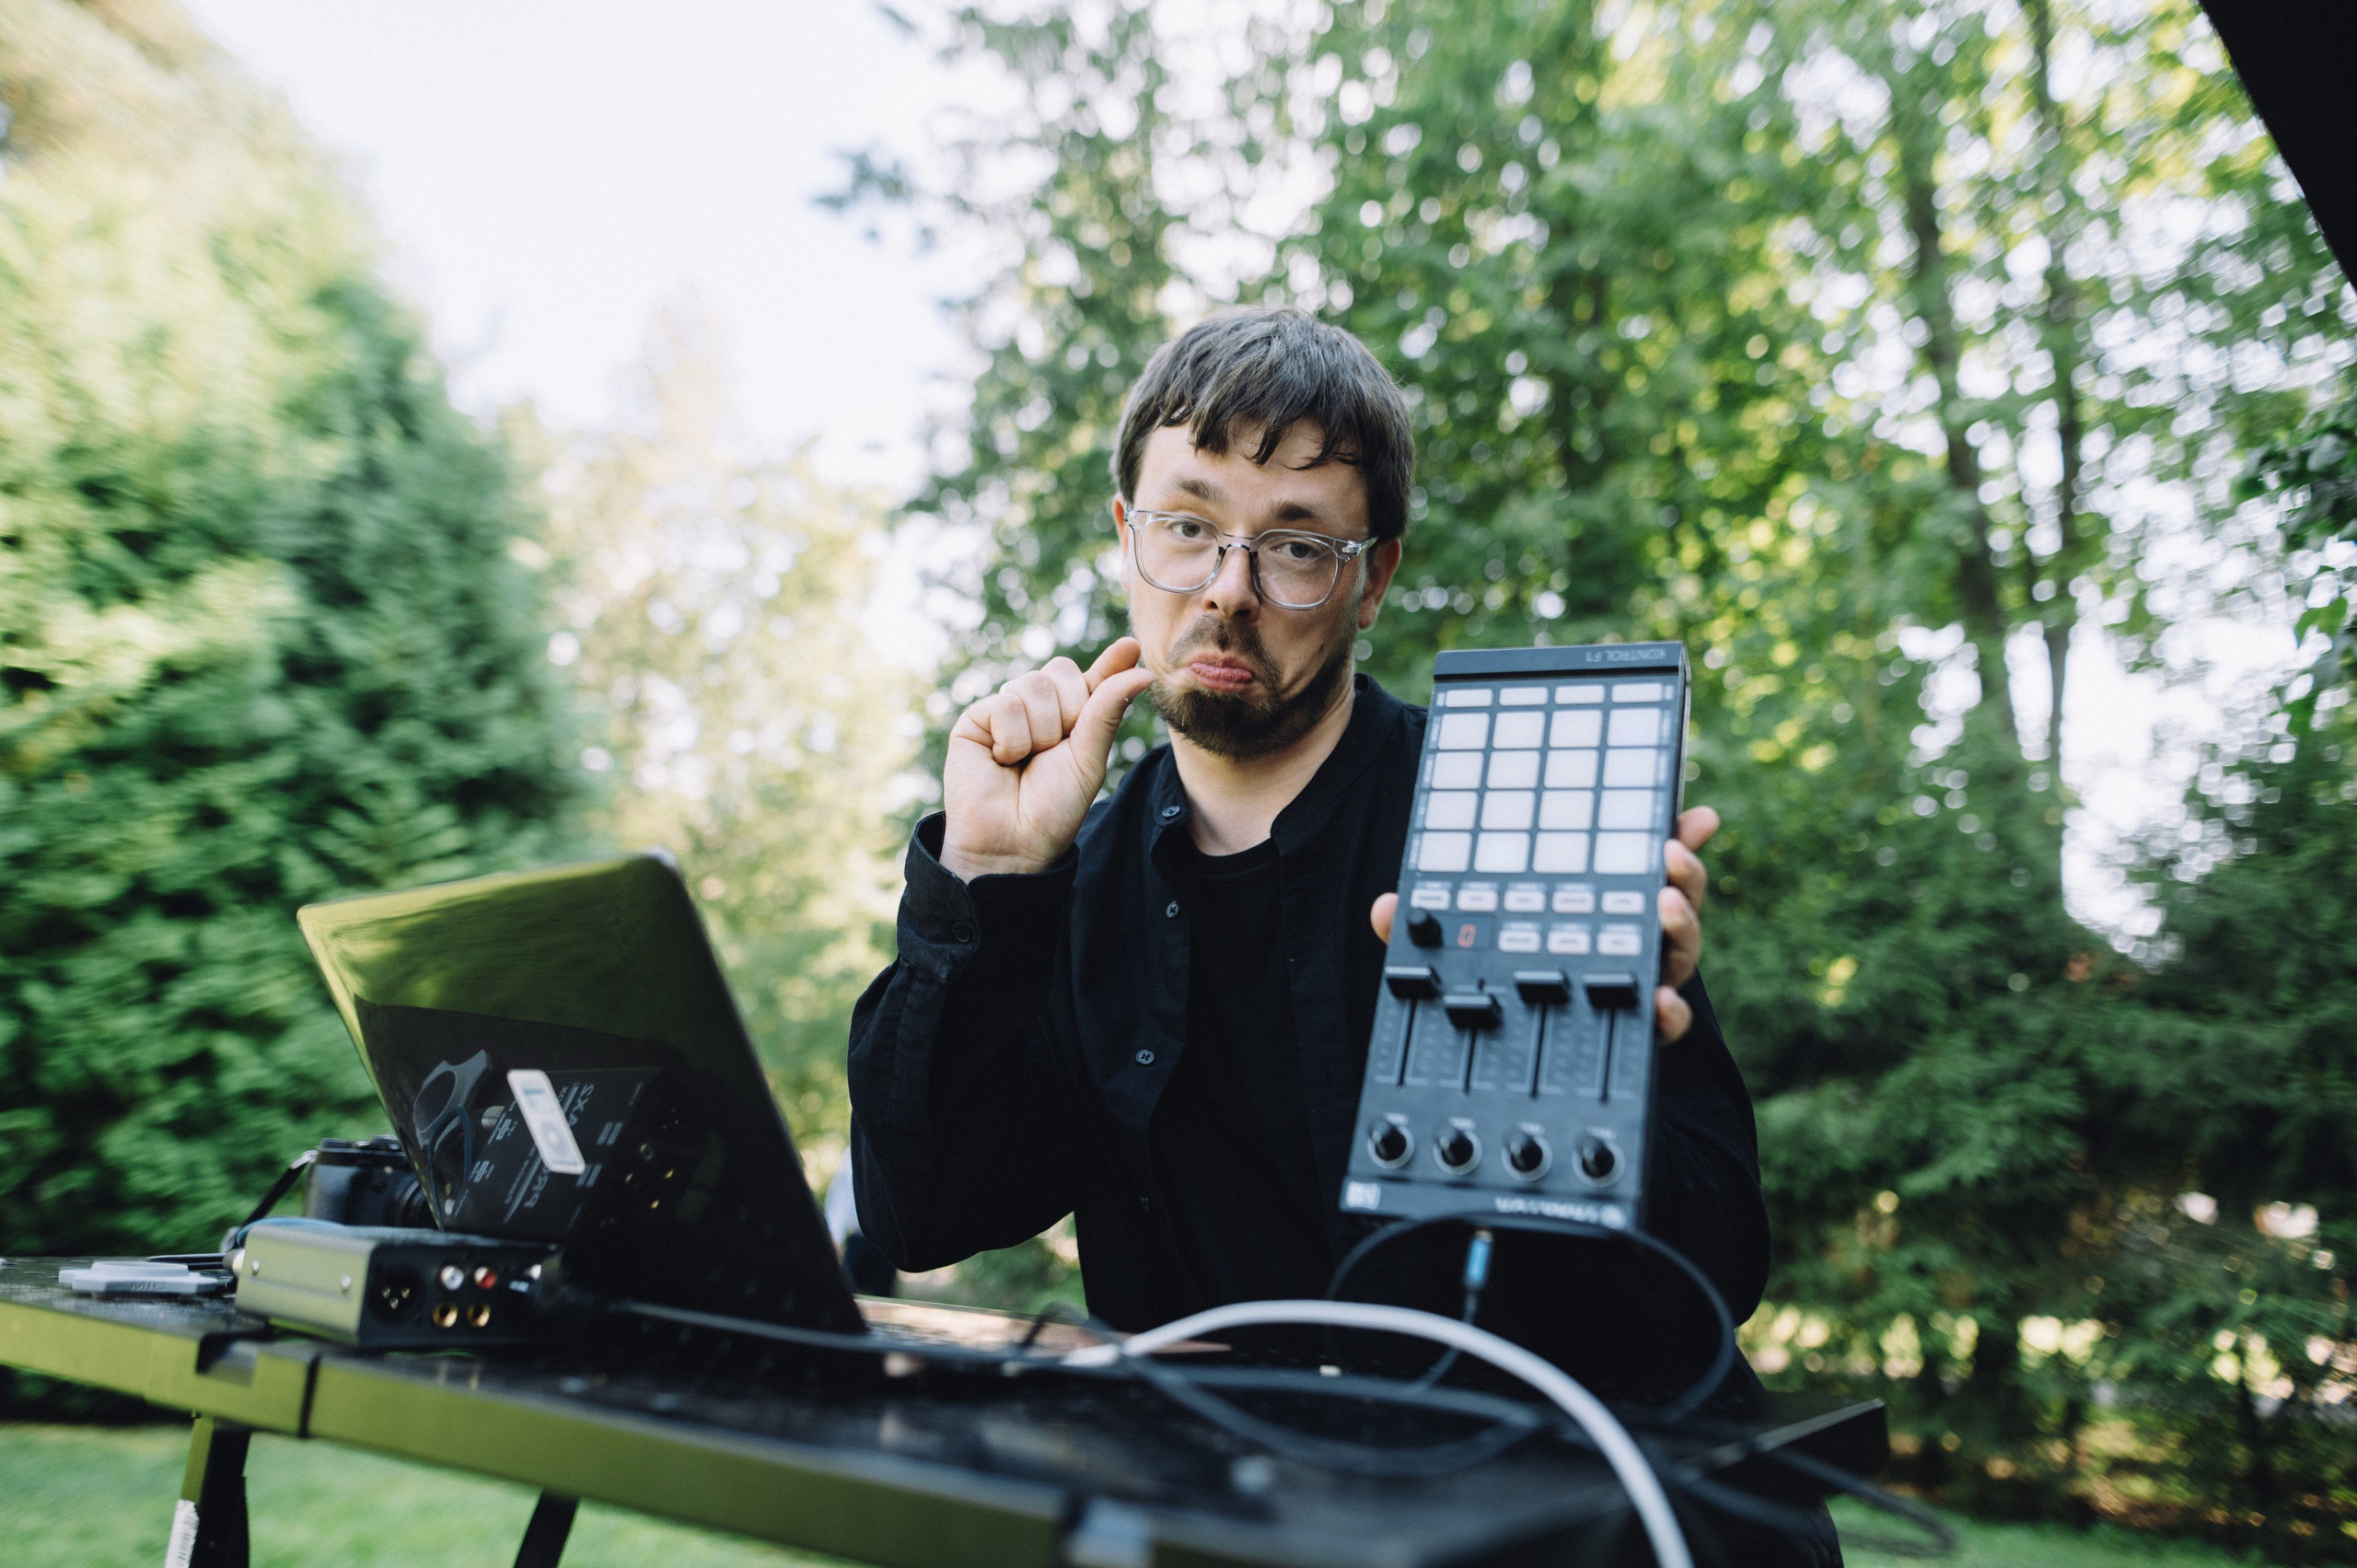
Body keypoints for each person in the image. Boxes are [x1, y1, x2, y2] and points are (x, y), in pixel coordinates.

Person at [846, 308, 1831, 1560]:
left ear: (1372, 581)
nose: (1230, 589)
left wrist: (1582, 1064)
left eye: (1298, 545)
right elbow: (922, 1212)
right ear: (1127, 538)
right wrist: (986, 876)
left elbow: (1714, 1264)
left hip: (1579, 1530)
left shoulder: (1523, 825)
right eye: (1189, 527)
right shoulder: (1067, 875)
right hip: (1249, 1524)